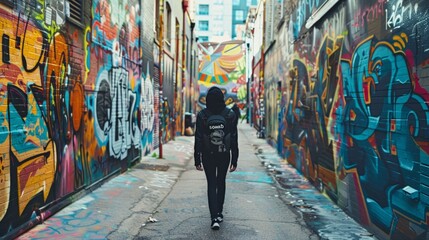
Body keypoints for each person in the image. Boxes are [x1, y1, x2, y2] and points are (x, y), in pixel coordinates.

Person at [194, 87, 239, 230]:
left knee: (211, 184)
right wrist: (234, 159)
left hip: (208, 155)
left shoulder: (203, 115)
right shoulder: (230, 114)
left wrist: (197, 159)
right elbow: (233, 138)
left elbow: (199, 138)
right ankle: (219, 212)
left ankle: (214, 217)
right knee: (221, 181)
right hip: (224, 154)